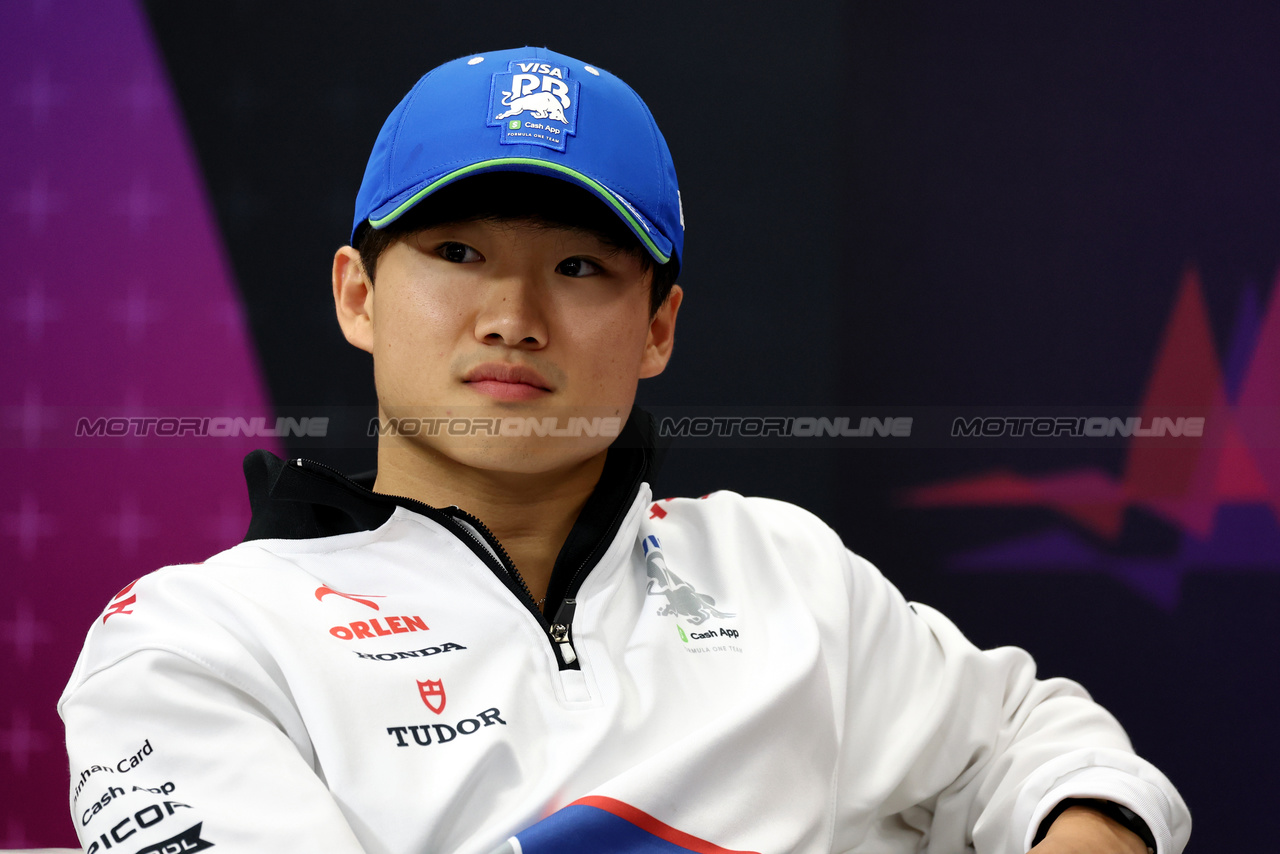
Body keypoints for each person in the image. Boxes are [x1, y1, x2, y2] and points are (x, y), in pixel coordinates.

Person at [60, 46, 1190, 854]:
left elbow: (1034, 741)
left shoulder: (782, 567)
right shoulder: (188, 644)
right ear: (357, 296)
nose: (511, 313)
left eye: (580, 267)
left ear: (657, 326)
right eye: (456, 249)